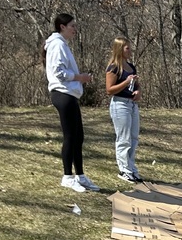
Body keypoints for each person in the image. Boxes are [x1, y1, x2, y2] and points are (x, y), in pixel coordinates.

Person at [44, 13, 99, 193]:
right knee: (70, 136)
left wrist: (79, 79)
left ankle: (80, 176)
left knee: (78, 136)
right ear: (62, 27)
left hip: (70, 94)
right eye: (72, 26)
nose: (75, 29)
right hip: (62, 93)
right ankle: (67, 176)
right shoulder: (57, 44)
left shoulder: (63, 45)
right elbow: (59, 72)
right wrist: (80, 77)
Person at [105, 36, 142, 183]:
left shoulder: (131, 67)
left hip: (132, 104)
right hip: (119, 104)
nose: (130, 51)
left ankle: (131, 168)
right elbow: (109, 90)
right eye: (127, 48)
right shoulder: (113, 67)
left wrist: (138, 92)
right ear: (120, 49)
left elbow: (137, 84)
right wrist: (126, 82)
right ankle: (124, 170)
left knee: (133, 137)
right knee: (124, 138)